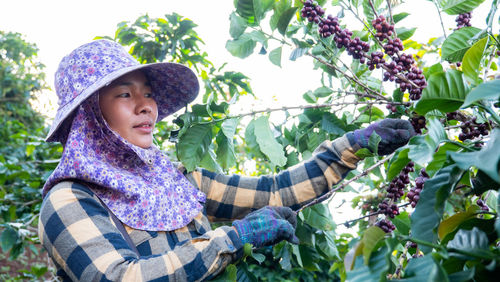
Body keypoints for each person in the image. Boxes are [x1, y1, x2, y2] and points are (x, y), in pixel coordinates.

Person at [38, 39, 415, 281]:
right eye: (124, 93)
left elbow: (274, 191)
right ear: (90, 115)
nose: (146, 106)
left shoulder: (179, 183)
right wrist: (233, 239)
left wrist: (352, 146)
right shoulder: (70, 199)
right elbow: (116, 278)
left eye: (148, 93)